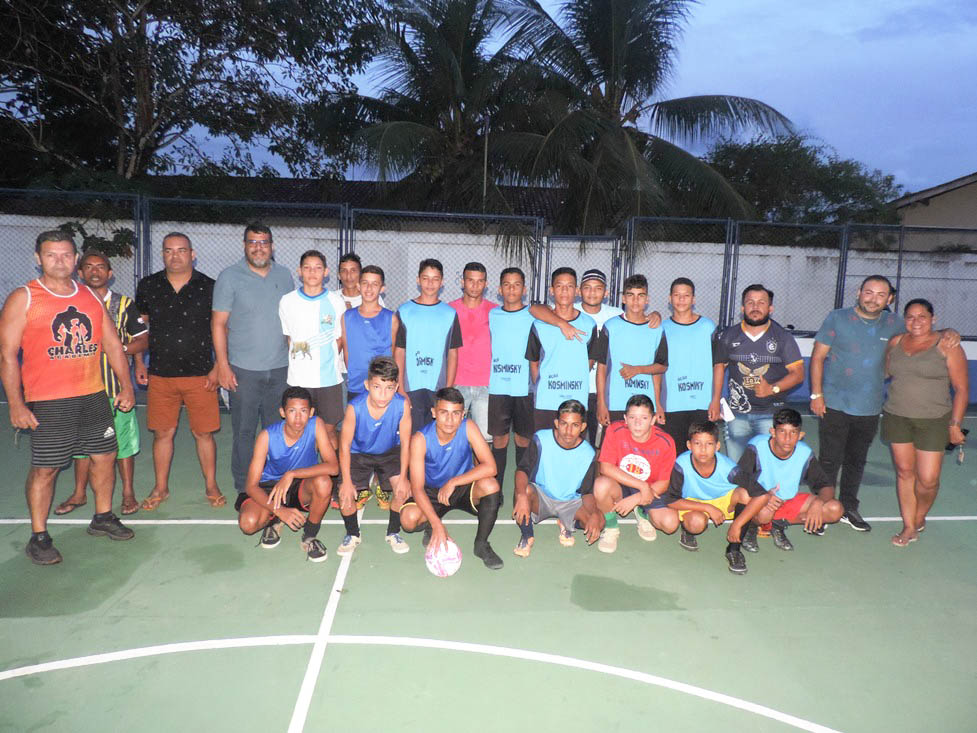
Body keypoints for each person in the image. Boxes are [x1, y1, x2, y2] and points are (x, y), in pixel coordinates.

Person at [0, 230, 136, 565]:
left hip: (93, 395)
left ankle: (102, 516)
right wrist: (16, 404)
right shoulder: (25, 297)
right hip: (49, 401)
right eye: (51, 255)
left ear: (75, 260)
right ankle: (39, 536)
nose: (59, 261)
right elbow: (7, 355)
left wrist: (127, 386)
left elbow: (112, 345)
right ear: (38, 259)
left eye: (65, 255)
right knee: (47, 468)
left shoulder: (90, 297)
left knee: (105, 456)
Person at [810, 275, 959, 532]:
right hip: (834, 402)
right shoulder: (837, 318)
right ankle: (824, 508)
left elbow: (923, 328)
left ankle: (848, 507)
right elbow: (817, 357)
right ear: (859, 292)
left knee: (856, 461)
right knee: (830, 460)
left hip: (869, 406)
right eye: (869, 292)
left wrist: (949, 332)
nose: (873, 299)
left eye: (881, 295)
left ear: (889, 298)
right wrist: (816, 394)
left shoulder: (895, 323)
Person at [135, 232, 225, 510]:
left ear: (192, 253)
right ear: (162, 254)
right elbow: (140, 329)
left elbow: (220, 329)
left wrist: (218, 366)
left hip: (201, 375)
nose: (175, 256)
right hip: (161, 374)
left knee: (204, 434)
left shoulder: (210, 286)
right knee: (163, 433)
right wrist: (139, 362)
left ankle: (211, 485)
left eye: (181, 250)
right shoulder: (148, 285)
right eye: (169, 251)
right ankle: (161, 488)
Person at [54, 250, 148, 517]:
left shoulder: (124, 304)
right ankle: (79, 493)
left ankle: (128, 492)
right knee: (81, 445)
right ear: (79, 272)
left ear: (110, 273)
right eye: (89, 267)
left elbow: (143, 339)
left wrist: (121, 350)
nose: (95, 271)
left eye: (101, 267)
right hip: (78, 388)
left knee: (123, 442)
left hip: (115, 389)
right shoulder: (68, 304)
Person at [213, 222, 295, 497]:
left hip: (281, 369)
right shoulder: (229, 277)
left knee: (276, 433)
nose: (259, 247)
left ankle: (271, 483)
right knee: (245, 433)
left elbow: (290, 323)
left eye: (264, 242)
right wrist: (222, 365)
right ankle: (244, 487)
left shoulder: (285, 276)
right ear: (245, 245)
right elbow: (218, 323)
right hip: (244, 371)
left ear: (272, 246)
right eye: (253, 242)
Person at [882, 299, 968, 548]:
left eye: (922, 316)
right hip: (897, 416)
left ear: (933, 319)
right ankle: (909, 526)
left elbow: (961, 389)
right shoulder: (896, 342)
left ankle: (919, 516)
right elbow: (884, 372)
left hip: (934, 420)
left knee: (929, 479)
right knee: (905, 472)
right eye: (910, 316)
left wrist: (955, 424)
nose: (915, 321)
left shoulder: (947, 345)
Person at [399, 387, 504, 569]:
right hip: (432, 491)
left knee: (491, 485)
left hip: (463, 485)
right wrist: (437, 524)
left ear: (463, 414)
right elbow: (416, 488)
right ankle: (432, 524)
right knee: (408, 519)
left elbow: (491, 466)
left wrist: (454, 482)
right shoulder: (420, 439)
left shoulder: (468, 427)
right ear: (434, 413)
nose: (449, 420)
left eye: (456, 413)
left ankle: (481, 545)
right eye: (444, 413)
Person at [236, 386, 339, 562]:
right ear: (282, 412)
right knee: (248, 524)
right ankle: (276, 519)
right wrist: (280, 511)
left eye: (303, 411)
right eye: (292, 411)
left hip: (302, 484)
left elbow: (333, 467)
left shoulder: (316, 425)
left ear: (311, 412)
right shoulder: (266, 436)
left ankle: (309, 537)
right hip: (271, 488)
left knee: (324, 482)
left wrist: (291, 474)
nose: (298, 417)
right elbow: (251, 486)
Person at [658, 420, 770, 574]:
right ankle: (687, 531)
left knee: (745, 494)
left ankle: (734, 550)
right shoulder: (681, 465)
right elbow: (670, 500)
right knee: (696, 524)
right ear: (689, 445)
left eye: (709, 444)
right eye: (697, 443)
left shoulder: (729, 468)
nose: (703, 449)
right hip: (694, 502)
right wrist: (707, 508)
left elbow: (762, 494)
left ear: (717, 447)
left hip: (723, 500)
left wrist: (737, 524)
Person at [710, 284, 804, 461]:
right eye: (750, 302)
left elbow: (798, 374)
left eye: (761, 302)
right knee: (736, 467)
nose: (755, 307)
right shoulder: (729, 335)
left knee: (766, 467)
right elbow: (719, 368)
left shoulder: (783, 337)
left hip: (770, 414)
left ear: (770, 308)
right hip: (737, 414)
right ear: (742, 308)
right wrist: (715, 400)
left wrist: (772, 389)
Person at [736, 408, 844, 553]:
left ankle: (778, 524)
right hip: (760, 502)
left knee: (835, 509)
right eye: (782, 432)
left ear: (800, 435)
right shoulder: (757, 446)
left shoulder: (804, 452)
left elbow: (825, 485)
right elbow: (741, 478)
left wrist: (818, 503)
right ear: (772, 432)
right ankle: (752, 526)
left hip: (787, 500)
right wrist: (764, 495)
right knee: (763, 514)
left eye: (793, 432)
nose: (787, 438)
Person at [336, 357, 412, 555]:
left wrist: (403, 478)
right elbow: (343, 446)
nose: (383, 394)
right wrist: (345, 481)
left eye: (389, 388)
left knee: (403, 491)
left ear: (396, 387)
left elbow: (406, 443)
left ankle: (393, 532)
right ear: (367, 385)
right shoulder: (354, 408)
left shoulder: (402, 405)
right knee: (344, 496)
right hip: (358, 454)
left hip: (389, 452)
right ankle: (352, 533)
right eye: (377, 387)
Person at [512, 399, 603, 556]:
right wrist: (520, 496)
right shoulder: (541, 439)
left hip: (570, 503)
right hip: (542, 497)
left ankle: (567, 523)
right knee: (523, 491)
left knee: (599, 520)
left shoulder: (589, 454)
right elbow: (522, 469)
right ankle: (527, 535)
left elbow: (587, 491)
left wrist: (594, 513)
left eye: (575, 425)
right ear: (556, 423)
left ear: (583, 427)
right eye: (564, 424)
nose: (568, 431)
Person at [277, 250, 344, 450]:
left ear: (326, 272)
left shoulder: (336, 301)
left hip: (329, 380)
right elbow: (289, 338)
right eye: (307, 267)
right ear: (299, 271)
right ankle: (301, 478)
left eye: (317, 268)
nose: (312, 272)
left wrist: (326, 362)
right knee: (299, 431)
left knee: (329, 430)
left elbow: (340, 339)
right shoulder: (287, 301)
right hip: (298, 380)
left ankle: (332, 477)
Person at [593, 394, 676, 553]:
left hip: (651, 488)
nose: (637, 423)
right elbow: (605, 468)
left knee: (670, 524)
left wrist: (637, 497)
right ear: (625, 418)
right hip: (622, 484)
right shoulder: (614, 430)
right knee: (601, 485)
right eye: (632, 417)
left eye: (644, 418)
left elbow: (664, 483)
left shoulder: (666, 442)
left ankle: (642, 512)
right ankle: (611, 528)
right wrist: (641, 486)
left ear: (653, 420)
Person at [394, 259, 463, 431]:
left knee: (436, 437)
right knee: (413, 437)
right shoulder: (404, 311)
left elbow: (453, 354)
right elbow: (399, 352)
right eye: (425, 278)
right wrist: (401, 389)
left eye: (435, 279)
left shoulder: (449, 313)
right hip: (411, 388)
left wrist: (448, 388)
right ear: (418, 280)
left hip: (438, 388)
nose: (430, 283)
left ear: (442, 281)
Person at [526, 268, 598, 433]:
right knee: (544, 448)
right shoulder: (539, 325)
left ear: (577, 291)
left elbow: (589, 362)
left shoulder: (589, 324)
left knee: (572, 448)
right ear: (552, 291)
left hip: (576, 401)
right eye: (559, 286)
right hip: (546, 401)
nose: (564, 290)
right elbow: (534, 363)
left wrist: (571, 379)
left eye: (570, 286)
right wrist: (546, 386)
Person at [595, 274, 667, 428]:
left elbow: (661, 367)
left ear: (647, 300)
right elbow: (601, 367)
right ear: (623, 299)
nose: (635, 301)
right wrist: (601, 403)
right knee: (612, 449)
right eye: (631, 295)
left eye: (640, 296)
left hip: (646, 405)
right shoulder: (610, 327)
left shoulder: (656, 329)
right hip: (615, 403)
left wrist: (658, 403)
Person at [660, 277, 717, 451]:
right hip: (671, 405)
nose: (681, 299)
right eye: (677, 295)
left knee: (702, 454)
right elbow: (657, 369)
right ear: (670, 298)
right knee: (673, 455)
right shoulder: (661, 328)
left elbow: (719, 366)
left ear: (694, 299)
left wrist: (715, 400)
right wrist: (658, 403)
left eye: (686, 295)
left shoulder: (708, 326)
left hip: (702, 404)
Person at [449, 262, 496, 441]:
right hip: (456, 384)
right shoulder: (449, 310)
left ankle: (480, 470)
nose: (475, 285)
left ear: (486, 284)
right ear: (462, 282)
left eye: (480, 281)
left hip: (486, 385)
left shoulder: (495, 312)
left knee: (483, 440)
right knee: (451, 435)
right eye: (470, 280)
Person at [341, 265, 398, 405]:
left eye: (375, 284)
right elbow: (347, 351)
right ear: (358, 286)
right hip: (356, 385)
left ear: (382, 288)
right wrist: (355, 374)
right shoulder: (347, 317)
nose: (369, 288)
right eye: (365, 283)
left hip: (382, 388)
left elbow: (395, 354)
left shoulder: (391, 318)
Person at [578, 269, 622, 445]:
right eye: (587, 288)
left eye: (597, 288)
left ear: (606, 293)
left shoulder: (617, 314)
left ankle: (598, 473)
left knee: (601, 444)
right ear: (579, 290)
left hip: (602, 390)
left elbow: (640, 321)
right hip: (575, 388)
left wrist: (654, 316)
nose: (592, 292)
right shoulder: (567, 311)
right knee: (573, 440)